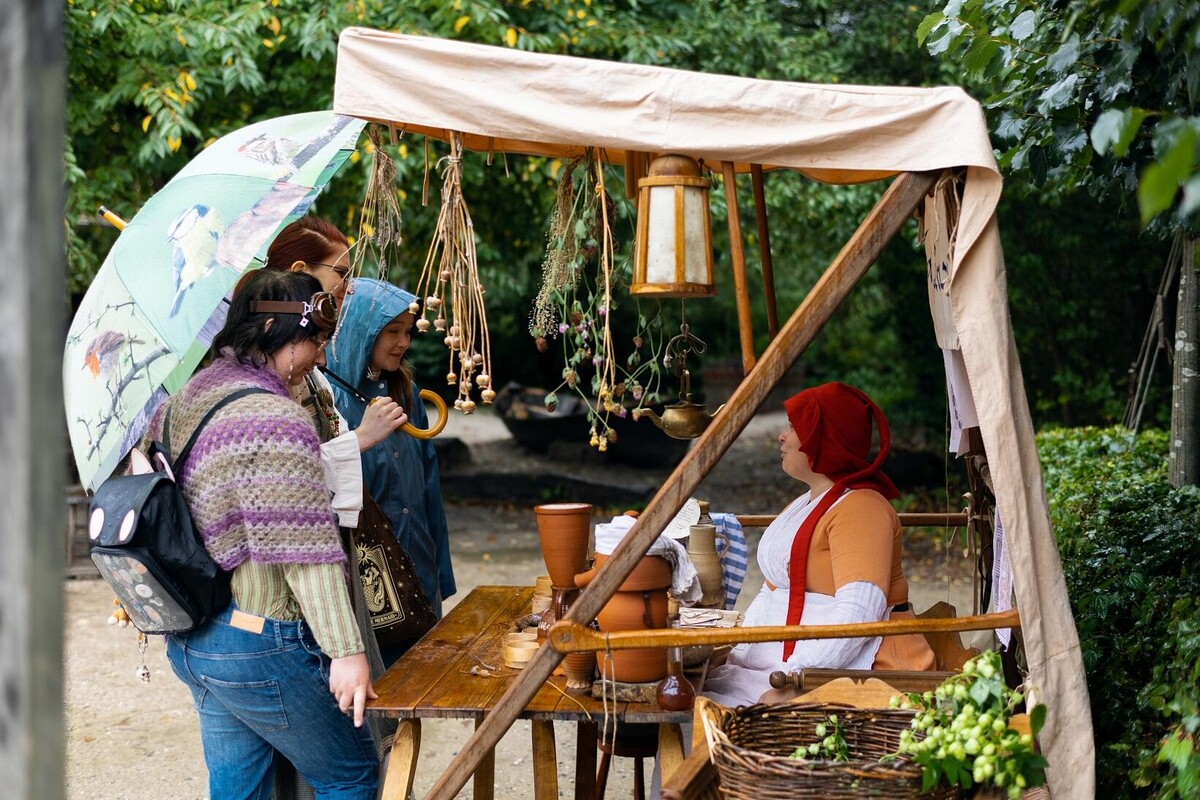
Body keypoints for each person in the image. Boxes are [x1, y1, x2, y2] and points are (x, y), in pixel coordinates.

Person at [148, 269, 379, 799]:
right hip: (258, 642)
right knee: (350, 776)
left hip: (194, 636)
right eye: (315, 341)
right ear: (280, 333)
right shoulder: (274, 420)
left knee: (239, 791)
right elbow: (306, 554)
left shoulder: (183, 401)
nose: (321, 356)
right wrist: (346, 652)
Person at [256, 219, 408, 800]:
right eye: (341, 273)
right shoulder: (268, 376)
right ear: (300, 276)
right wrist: (361, 439)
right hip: (286, 600)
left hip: (323, 579)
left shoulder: (311, 369)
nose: (350, 284)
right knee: (344, 768)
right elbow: (282, 487)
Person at [703, 382, 935, 707]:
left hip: (852, 674)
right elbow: (770, 592)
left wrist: (796, 677)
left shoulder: (862, 509)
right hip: (782, 666)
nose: (782, 436)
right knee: (693, 696)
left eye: (794, 427)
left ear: (824, 439)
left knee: (708, 714)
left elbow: (859, 614)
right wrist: (737, 653)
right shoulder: (806, 503)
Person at [324, 278, 455, 665]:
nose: (403, 342)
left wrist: (439, 574)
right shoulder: (331, 402)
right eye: (392, 332)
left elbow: (429, 488)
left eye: (407, 331)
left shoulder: (405, 393)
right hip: (370, 584)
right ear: (362, 331)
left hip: (419, 572)